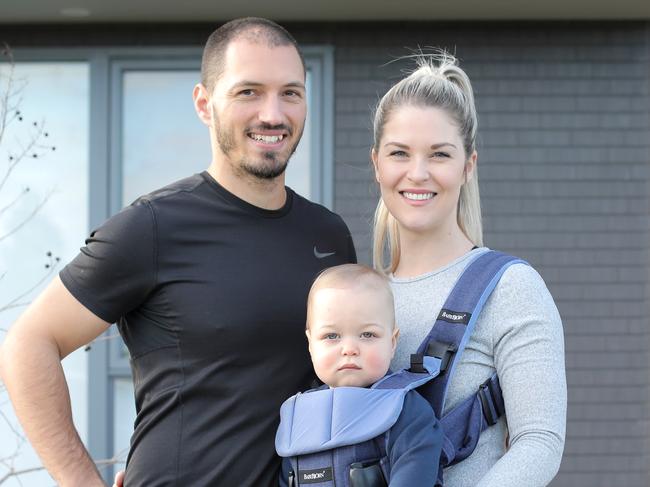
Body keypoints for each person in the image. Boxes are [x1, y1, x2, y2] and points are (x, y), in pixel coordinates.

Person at [0, 17, 356, 487]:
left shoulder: (329, 236)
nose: (273, 114)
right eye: (248, 92)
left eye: (290, 92)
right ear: (205, 104)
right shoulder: (152, 226)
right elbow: (27, 346)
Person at [370, 51, 566, 486]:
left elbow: (540, 442)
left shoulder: (511, 288)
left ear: (467, 166)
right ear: (377, 165)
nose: (417, 173)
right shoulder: (363, 298)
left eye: (439, 154)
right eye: (399, 153)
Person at [276, 264, 442, 486]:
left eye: (367, 334)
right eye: (332, 335)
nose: (349, 349)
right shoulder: (298, 419)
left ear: (392, 343)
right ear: (310, 344)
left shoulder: (406, 413)